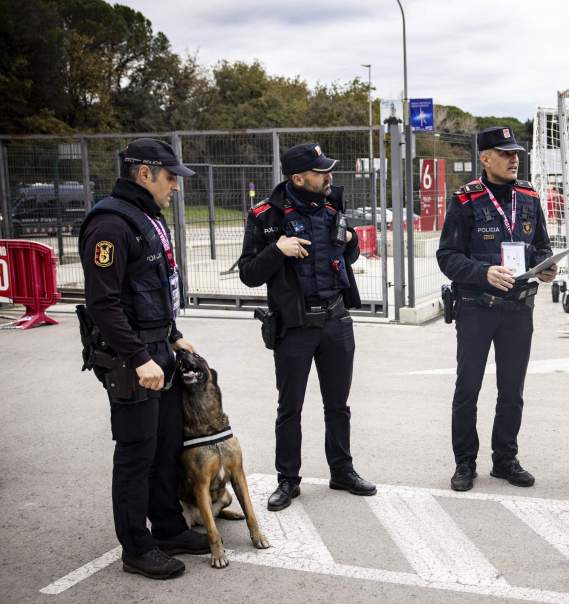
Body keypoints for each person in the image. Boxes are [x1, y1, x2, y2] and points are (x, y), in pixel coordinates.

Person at [78, 138, 210, 579]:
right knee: (136, 452)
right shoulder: (111, 225)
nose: (176, 186)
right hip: (131, 358)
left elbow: (154, 287)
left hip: (158, 349)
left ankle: (169, 529)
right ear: (144, 173)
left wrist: (172, 337)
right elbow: (105, 303)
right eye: (170, 177)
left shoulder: (146, 217)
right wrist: (138, 357)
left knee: (166, 446)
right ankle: (136, 547)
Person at [239, 143, 376, 511]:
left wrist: (352, 241)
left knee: (339, 405)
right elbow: (249, 274)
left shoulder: (333, 205)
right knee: (290, 408)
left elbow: (348, 254)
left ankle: (342, 470)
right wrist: (277, 250)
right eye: (320, 172)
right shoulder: (266, 216)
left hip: (335, 321)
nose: (328, 176)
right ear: (298, 178)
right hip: (294, 327)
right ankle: (288, 479)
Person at [436, 126, 555, 492]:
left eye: (516, 152)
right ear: (485, 158)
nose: (513, 158)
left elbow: (540, 247)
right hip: (477, 307)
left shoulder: (529, 196)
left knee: (511, 390)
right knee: (468, 387)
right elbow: (447, 256)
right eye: (505, 153)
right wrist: (484, 272)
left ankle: (505, 459)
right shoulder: (466, 200)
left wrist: (547, 265)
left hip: (518, 309)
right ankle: (465, 463)